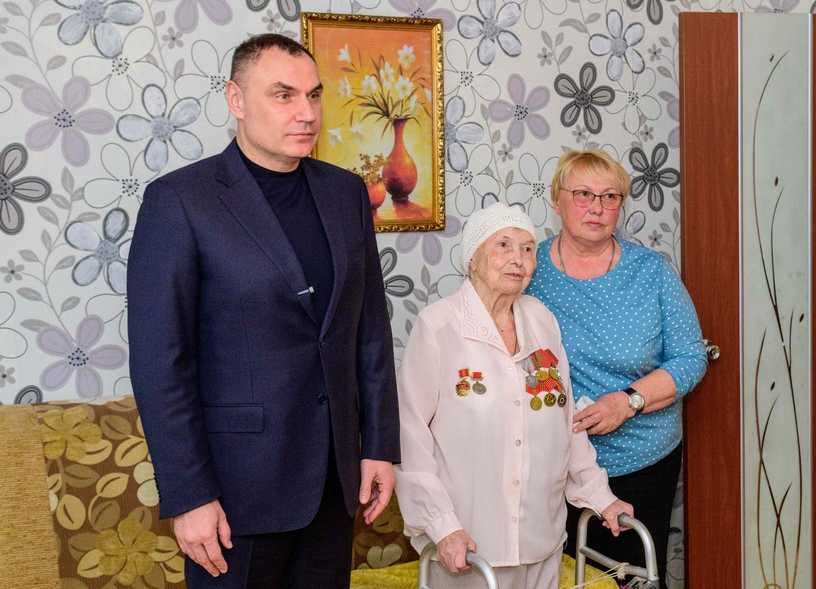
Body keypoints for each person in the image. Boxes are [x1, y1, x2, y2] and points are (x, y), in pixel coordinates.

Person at [127, 33, 400, 589]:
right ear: (236, 99)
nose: (307, 113)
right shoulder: (180, 201)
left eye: (314, 95)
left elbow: (369, 331)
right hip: (235, 493)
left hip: (334, 483)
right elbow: (161, 365)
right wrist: (189, 495)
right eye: (283, 95)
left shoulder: (346, 193)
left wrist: (378, 446)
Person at [394, 202, 633, 589]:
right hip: (467, 547)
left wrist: (599, 496)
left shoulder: (542, 320)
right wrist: (443, 526)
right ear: (473, 257)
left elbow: (564, 421)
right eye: (503, 245)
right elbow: (411, 434)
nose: (517, 259)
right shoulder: (439, 326)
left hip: (542, 538)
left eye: (527, 248)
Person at [525, 149, 707, 589]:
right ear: (556, 199)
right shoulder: (528, 270)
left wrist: (628, 402)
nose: (597, 207)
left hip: (640, 462)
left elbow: (691, 357)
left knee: (631, 579)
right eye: (583, 194)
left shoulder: (651, 272)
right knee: (558, 577)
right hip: (553, 463)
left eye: (610, 196)